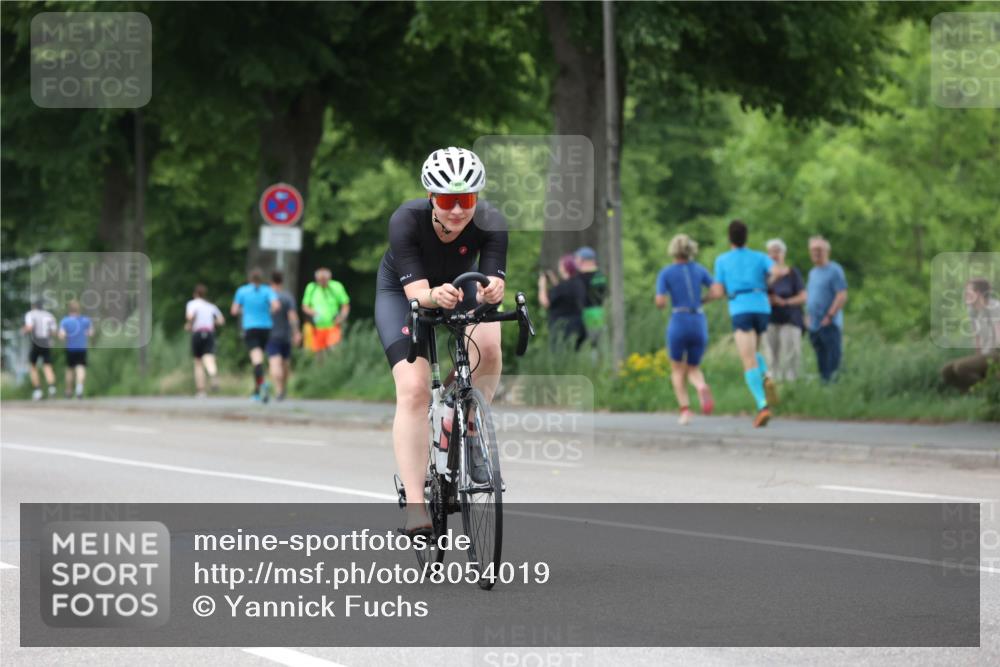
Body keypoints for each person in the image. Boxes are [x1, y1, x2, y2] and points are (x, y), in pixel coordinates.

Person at [374, 146, 506, 535]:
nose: (457, 210)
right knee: (414, 390)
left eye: (465, 200)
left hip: (460, 287)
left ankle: (467, 424)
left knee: (491, 347)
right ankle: (417, 507)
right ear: (431, 197)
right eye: (447, 200)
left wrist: (494, 290)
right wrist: (432, 296)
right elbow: (417, 293)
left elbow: (493, 278)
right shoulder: (406, 220)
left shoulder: (491, 220)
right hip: (403, 294)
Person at [710, 220, 781, 427]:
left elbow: (718, 290)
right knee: (754, 350)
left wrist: (705, 298)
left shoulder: (722, 260)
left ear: (729, 238)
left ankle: (762, 406)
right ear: (746, 236)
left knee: (747, 360)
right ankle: (766, 374)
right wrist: (767, 284)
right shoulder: (760, 257)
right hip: (761, 307)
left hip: (740, 307)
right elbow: (777, 271)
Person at [655, 234, 718, 425]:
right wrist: (702, 300)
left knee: (676, 368)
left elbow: (660, 301)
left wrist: (663, 302)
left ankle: (685, 410)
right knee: (693, 368)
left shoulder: (666, 273)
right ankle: (701, 386)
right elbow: (716, 291)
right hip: (698, 319)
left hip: (679, 319)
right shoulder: (699, 270)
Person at [941, 278, 1000, 392]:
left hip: (996, 353)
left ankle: (987, 391)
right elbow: (976, 336)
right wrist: (978, 356)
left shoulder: (995, 308)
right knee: (947, 371)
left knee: (961, 367)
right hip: (985, 354)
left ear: (978, 294)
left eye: (968, 292)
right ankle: (970, 394)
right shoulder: (972, 310)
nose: (965, 295)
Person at [231, 268, 279, 402]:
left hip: (251, 327)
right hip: (266, 328)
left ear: (250, 278)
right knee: (263, 358)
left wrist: (244, 310)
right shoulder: (268, 290)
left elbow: (234, 310)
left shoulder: (242, 291)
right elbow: (276, 306)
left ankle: (260, 387)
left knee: (256, 360)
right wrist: (268, 310)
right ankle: (259, 389)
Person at [805, 235, 848, 382]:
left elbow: (841, 294)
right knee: (821, 360)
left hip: (829, 323)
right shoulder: (813, 273)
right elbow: (811, 296)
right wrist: (808, 316)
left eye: (819, 249)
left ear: (826, 251)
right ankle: (825, 390)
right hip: (815, 324)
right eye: (813, 250)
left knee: (833, 361)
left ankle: (835, 391)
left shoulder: (835, 270)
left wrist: (830, 315)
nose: (816, 253)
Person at [763, 238, 807, 382]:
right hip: (770, 320)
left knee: (790, 356)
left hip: (790, 319)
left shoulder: (793, 273)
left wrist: (784, 301)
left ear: (784, 254)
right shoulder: (765, 275)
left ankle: (791, 388)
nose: (774, 255)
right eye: (771, 252)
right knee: (770, 357)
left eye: (777, 251)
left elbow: (803, 296)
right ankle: (773, 389)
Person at [538, 254, 587, 352]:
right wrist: (553, 280)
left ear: (565, 268)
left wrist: (541, 286)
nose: (559, 267)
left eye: (561, 265)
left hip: (561, 328)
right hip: (577, 325)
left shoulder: (562, 287)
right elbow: (562, 293)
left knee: (561, 357)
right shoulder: (578, 283)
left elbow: (545, 302)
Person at [267, 270, 302, 401]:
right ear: (282, 282)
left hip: (271, 335)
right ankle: (283, 388)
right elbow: (292, 316)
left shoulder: (267, 297)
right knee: (285, 364)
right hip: (286, 335)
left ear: (271, 282)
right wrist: (296, 332)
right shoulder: (287, 297)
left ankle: (278, 390)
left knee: (274, 363)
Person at [185, 284, 224, 397]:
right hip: (209, 333)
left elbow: (190, 317)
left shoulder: (192, 304)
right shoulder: (211, 306)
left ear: (195, 294)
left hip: (197, 333)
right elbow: (221, 320)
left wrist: (189, 324)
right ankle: (213, 374)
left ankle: (201, 391)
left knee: (198, 362)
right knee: (209, 358)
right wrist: (212, 323)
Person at [302, 268, 350, 355]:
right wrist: (312, 312)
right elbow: (305, 306)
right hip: (317, 327)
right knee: (319, 354)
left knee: (334, 350)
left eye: (324, 280)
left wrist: (342, 317)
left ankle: (336, 367)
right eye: (320, 280)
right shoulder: (311, 287)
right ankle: (321, 368)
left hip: (333, 326)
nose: (322, 282)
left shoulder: (336, 286)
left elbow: (345, 304)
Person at [22, 299, 58, 400]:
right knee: (47, 366)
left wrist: (23, 331)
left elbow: (29, 327)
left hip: (36, 342)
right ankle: (52, 389)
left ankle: (37, 390)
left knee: (33, 366)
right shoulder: (49, 315)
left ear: (34, 306)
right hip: (46, 342)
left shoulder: (30, 314)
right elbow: (54, 332)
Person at [58, 300, 93, 399]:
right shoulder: (85, 320)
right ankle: (79, 388)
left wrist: (64, 337)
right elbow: (90, 333)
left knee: (70, 370)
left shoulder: (65, 321)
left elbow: (61, 335)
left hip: (71, 349)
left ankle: (68, 391)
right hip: (82, 348)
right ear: (79, 310)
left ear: (69, 310)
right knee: (81, 368)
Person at [574, 246, 608, 346]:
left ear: (584, 260)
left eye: (577, 259)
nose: (576, 262)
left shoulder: (579, 278)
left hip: (585, 316)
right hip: (601, 315)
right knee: (598, 347)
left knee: (587, 347)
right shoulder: (601, 275)